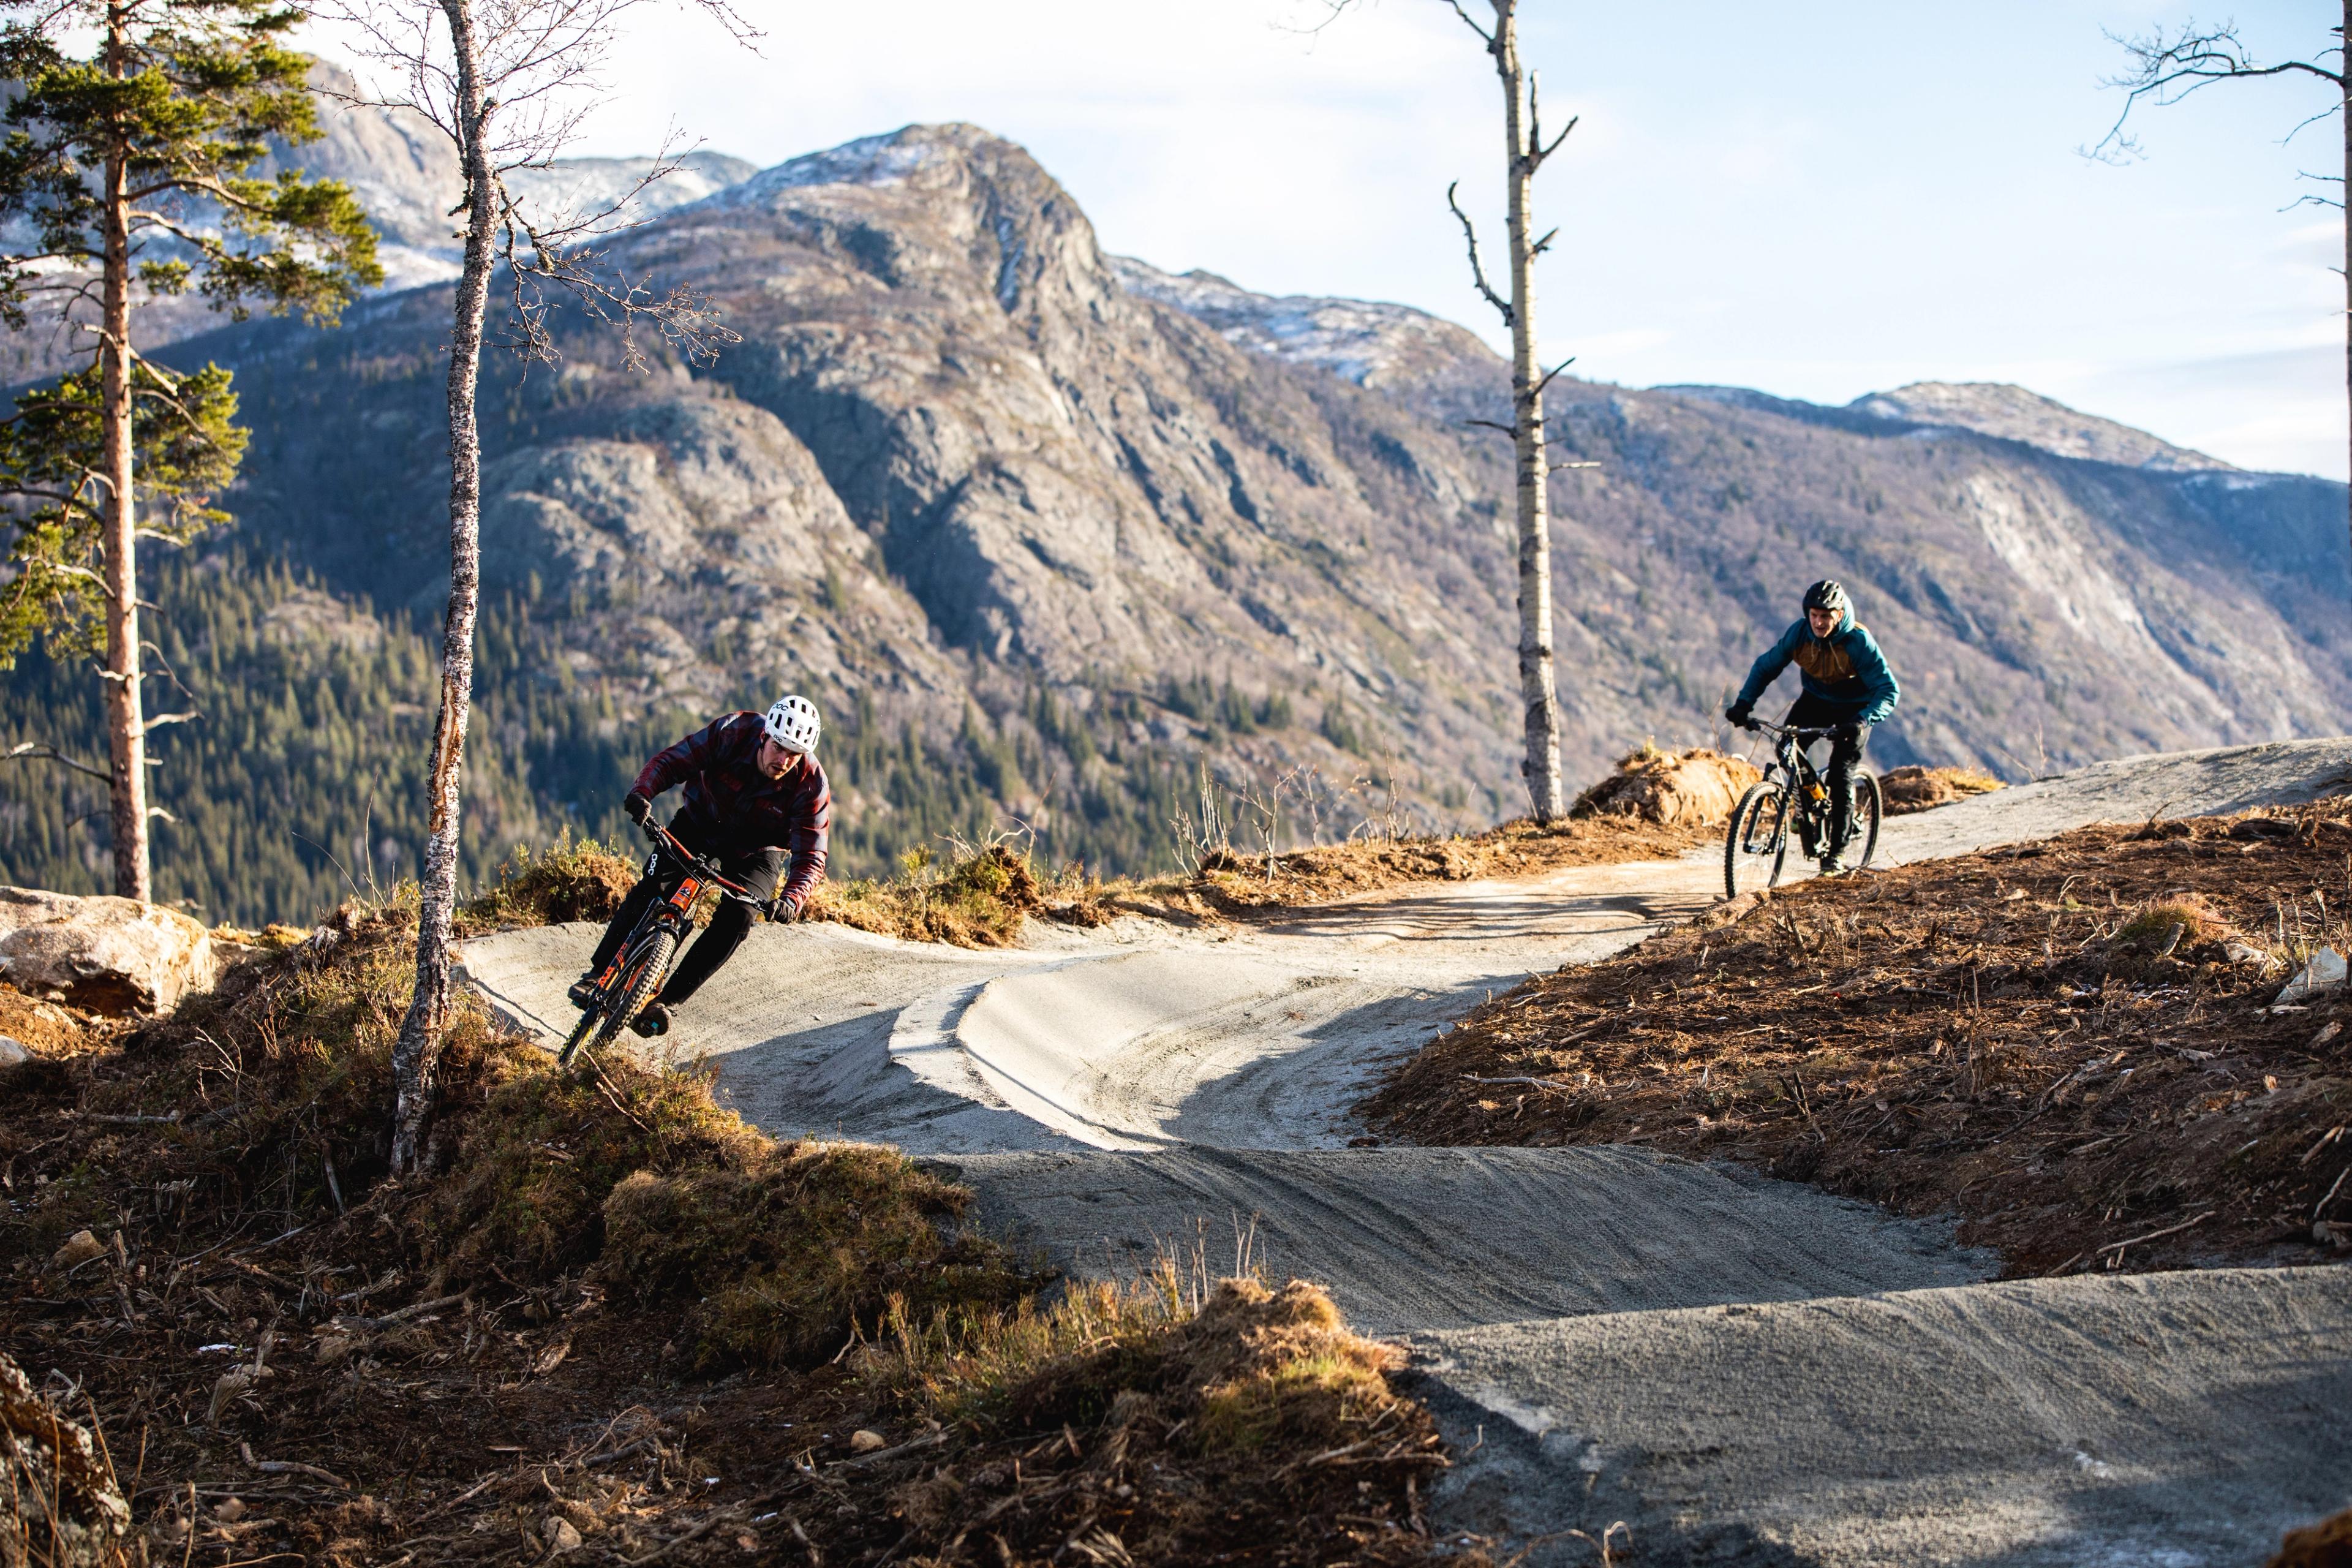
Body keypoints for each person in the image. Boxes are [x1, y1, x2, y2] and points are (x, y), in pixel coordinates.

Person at [570, 694, 831, 1036]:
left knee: (739, 918)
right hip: (700, 821)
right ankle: (597, 974)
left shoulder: (811, 784)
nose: (784, 760)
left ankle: (665, 1002)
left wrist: (792, 899)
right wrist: (643, 792)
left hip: (757, 850)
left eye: (794, 754)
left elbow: (812, 856)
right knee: (653, 887)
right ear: (765, 735)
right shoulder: (733, 731)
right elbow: (674, 761)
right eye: (779, 748)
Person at [1724, 580, 1899, 874]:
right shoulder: (1799, 634)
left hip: (1856, 709)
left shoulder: (1858, 642)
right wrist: (1744, 705)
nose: (1819, 622)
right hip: (1816, 700)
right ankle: (1806, 804)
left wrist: (1863, 719)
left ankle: (1835, 855)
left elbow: (1889, 690)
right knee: (1786, 747)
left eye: (1826, 616)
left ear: (1840, 614)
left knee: (1841, 773)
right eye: (1815, 615)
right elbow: (1766, 666)